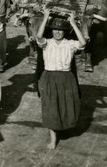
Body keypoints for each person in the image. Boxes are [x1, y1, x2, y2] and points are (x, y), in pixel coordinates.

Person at [35, 10, 86, 149]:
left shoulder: (70, 44)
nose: (57, 32)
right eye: (55, 29)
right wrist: (46, 17)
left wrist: (73, 23)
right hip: (49, 77)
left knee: (66, 104)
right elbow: (38, 36)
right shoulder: (47, 43)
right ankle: (53, 138)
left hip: (66, 77)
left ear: (65, 32)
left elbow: (82, 42)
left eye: (61, 30)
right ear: (51, 31)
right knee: (50, 106)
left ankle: (62, 128)